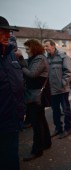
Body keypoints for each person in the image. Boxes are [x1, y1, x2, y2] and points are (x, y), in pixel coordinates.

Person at [17, 39, 52, 161]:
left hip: (36, 95)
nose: (26, 52)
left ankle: (37, 150)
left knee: (37, 123)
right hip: (36, 94)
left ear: (34, 48)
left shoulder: (40, 59)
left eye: (27, 49)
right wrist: (22, 60)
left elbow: (31, 74)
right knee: (41, 119)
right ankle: (47, 142)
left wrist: (21, 65)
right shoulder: (37, 58)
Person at [0, 16, 25, 170]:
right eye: (2, 32)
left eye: (8, 32)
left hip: (13, 120)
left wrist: (21, 110)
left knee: (11, 158)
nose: (8, 35)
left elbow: (19, 84)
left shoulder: (10, 55)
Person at [44, 39, 71, 139]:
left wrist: (63, 83)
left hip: (62, 90)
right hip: (52, 90)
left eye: (47, 46)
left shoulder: (63, 56)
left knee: (66, 110)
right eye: (45, 46)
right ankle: (58, 128)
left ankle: (68, 128)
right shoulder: (46, 59)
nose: (45, 48)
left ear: (53, 46)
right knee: (55, 111)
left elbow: (69, 72)